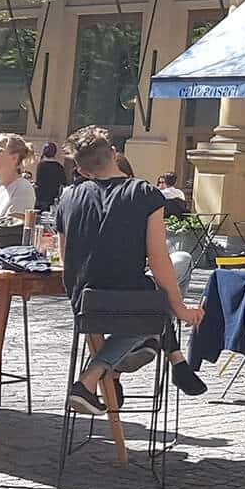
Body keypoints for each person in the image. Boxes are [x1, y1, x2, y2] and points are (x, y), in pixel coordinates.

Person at [44, 126, 206, 411]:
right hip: (128, 303)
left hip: (85, 303)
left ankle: (134, 358)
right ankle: (94, 375)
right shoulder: (144, 193)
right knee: (159, 303)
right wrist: (180, 308)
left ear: (81, 169)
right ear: (114, 154)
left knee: (151, 306)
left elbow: (64, 255)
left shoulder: (68, 197)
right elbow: (158, 259)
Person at [34, 143, 66, 211]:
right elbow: (63, 183)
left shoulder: (41, 165)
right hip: (54, 198)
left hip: (41, 198)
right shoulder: (59, 167)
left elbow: (38, 182)